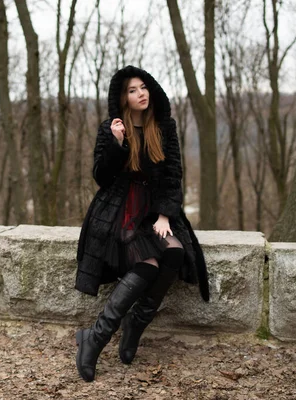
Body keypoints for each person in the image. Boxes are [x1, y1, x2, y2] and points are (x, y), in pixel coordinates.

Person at [75, 65, 210, 382]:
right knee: (148, 264)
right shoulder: (112, 127)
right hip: (120, 210)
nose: (141, 93)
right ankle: (96, 337)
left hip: (155, 211)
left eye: (144, 87)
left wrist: (165, 214)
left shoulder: (164, 127)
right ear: (124, 97)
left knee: (174, 252)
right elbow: (101, 177)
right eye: (133, 90)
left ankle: (136, 322)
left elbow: (174, 173)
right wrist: (117, 143)